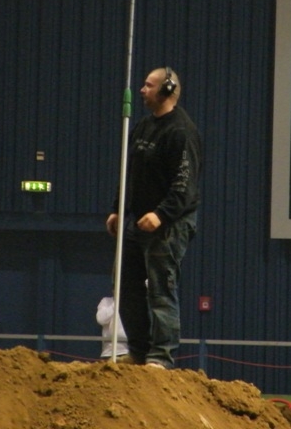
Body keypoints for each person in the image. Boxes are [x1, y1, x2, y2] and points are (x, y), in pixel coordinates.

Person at [106, 67, 201, 370]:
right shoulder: (144, 127)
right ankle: (138, 350)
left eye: (148, 85)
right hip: (138, 221)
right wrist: (119, 208)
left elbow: (184, 185)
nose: (142, 90)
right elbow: (130, 173)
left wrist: (161, 214)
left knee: (161, 288)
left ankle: (161, 356)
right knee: (125, 285)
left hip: (170, 225)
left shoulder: (181, 132)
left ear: (167, 90)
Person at [96, 293, 128, 359]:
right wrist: (116, 303)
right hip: (109, 351)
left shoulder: (132, 303)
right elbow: (101, 319)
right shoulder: (106, 301)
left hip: (128, 352)